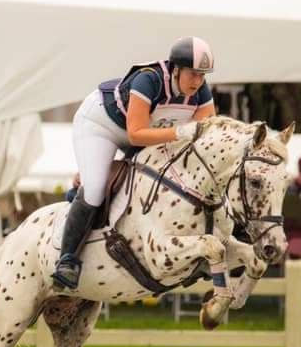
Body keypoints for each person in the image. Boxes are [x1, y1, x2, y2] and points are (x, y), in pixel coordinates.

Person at [52, 36, 217, 290]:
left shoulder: (200, 90)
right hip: (101, 125)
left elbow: (206, 131)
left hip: (147, 131)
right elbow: (136, 134)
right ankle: (68, 259)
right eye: (193, 74)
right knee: (95, 188)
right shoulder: (149, 79)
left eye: (202, 75)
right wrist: (179, 133)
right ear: (176, 68)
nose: (198, 81)